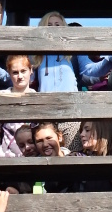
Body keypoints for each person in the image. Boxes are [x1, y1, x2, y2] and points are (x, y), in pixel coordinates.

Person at [32, 11, 81, 151]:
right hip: (46, 112)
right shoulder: (36, 55)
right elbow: (25, 75)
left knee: (73, 153)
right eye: (49, 25)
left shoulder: (73, 52)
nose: (53, 27)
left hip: (71, 111)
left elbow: (89, 71)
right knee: (48, 152)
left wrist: (111, 59)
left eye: (57, 25)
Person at [0, 54, 37, 157]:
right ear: (9, 73)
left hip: (35, 158)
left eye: (23, 71)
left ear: (31, 70)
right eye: (15, 72)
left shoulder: (38, 98)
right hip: (7, 158)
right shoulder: (2, 97)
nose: (20, 76)